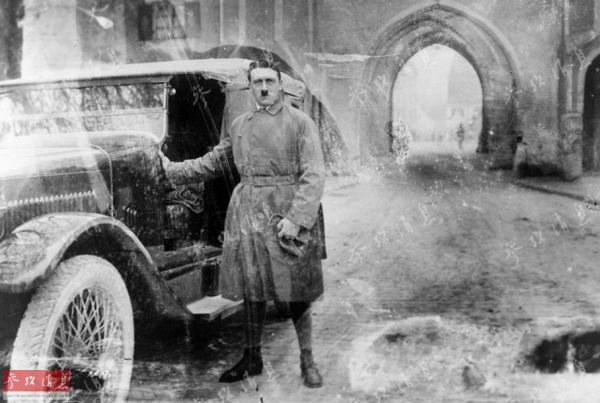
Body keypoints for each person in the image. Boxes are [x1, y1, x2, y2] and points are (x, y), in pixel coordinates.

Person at [160, 59, 326, 388]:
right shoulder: (240, 125)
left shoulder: (300, 123)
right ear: (250, 88)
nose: (263, 88)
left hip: (285, 211)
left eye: (269, 82)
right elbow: (213, 163)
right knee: (253, 288)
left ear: (280, 86)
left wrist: (296, 220)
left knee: (295, 291)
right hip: (248, 211)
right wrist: (171, 170)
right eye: (257, 83)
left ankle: (307, 360)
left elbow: (314, 175)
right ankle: (252, 358)